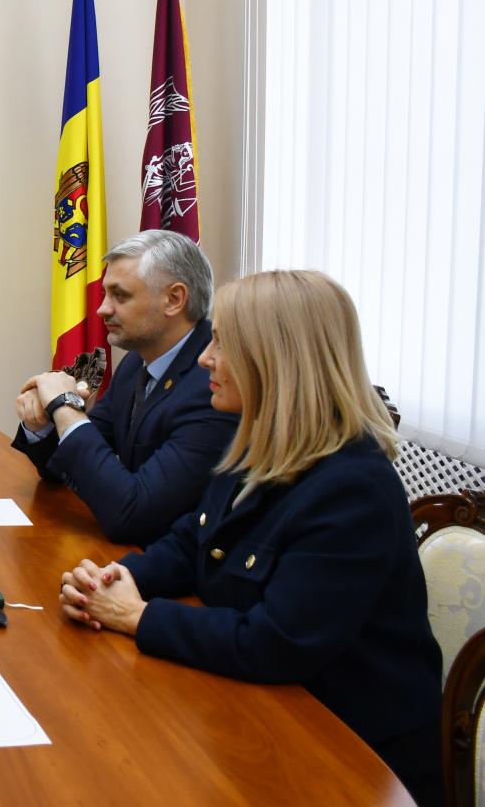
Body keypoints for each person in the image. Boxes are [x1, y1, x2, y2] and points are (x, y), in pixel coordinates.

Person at [59, 270, 441, 804]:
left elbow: (275, 643)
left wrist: (137, 615)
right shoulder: (257, 445)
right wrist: (116, 579)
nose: (205, 359)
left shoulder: (351, 488)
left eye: (223, 343)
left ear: (277, 361)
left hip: (346, 758)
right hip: (256, 711)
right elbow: (192, 543)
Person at [13, 230, 238, 545]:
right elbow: (65, 468)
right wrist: (44, 426)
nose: (103, 309)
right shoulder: (136, 363)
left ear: (174, 299)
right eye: (106, 295)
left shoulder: (212, 387)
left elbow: (133, 515)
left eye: (120, 295)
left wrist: (64, 407)